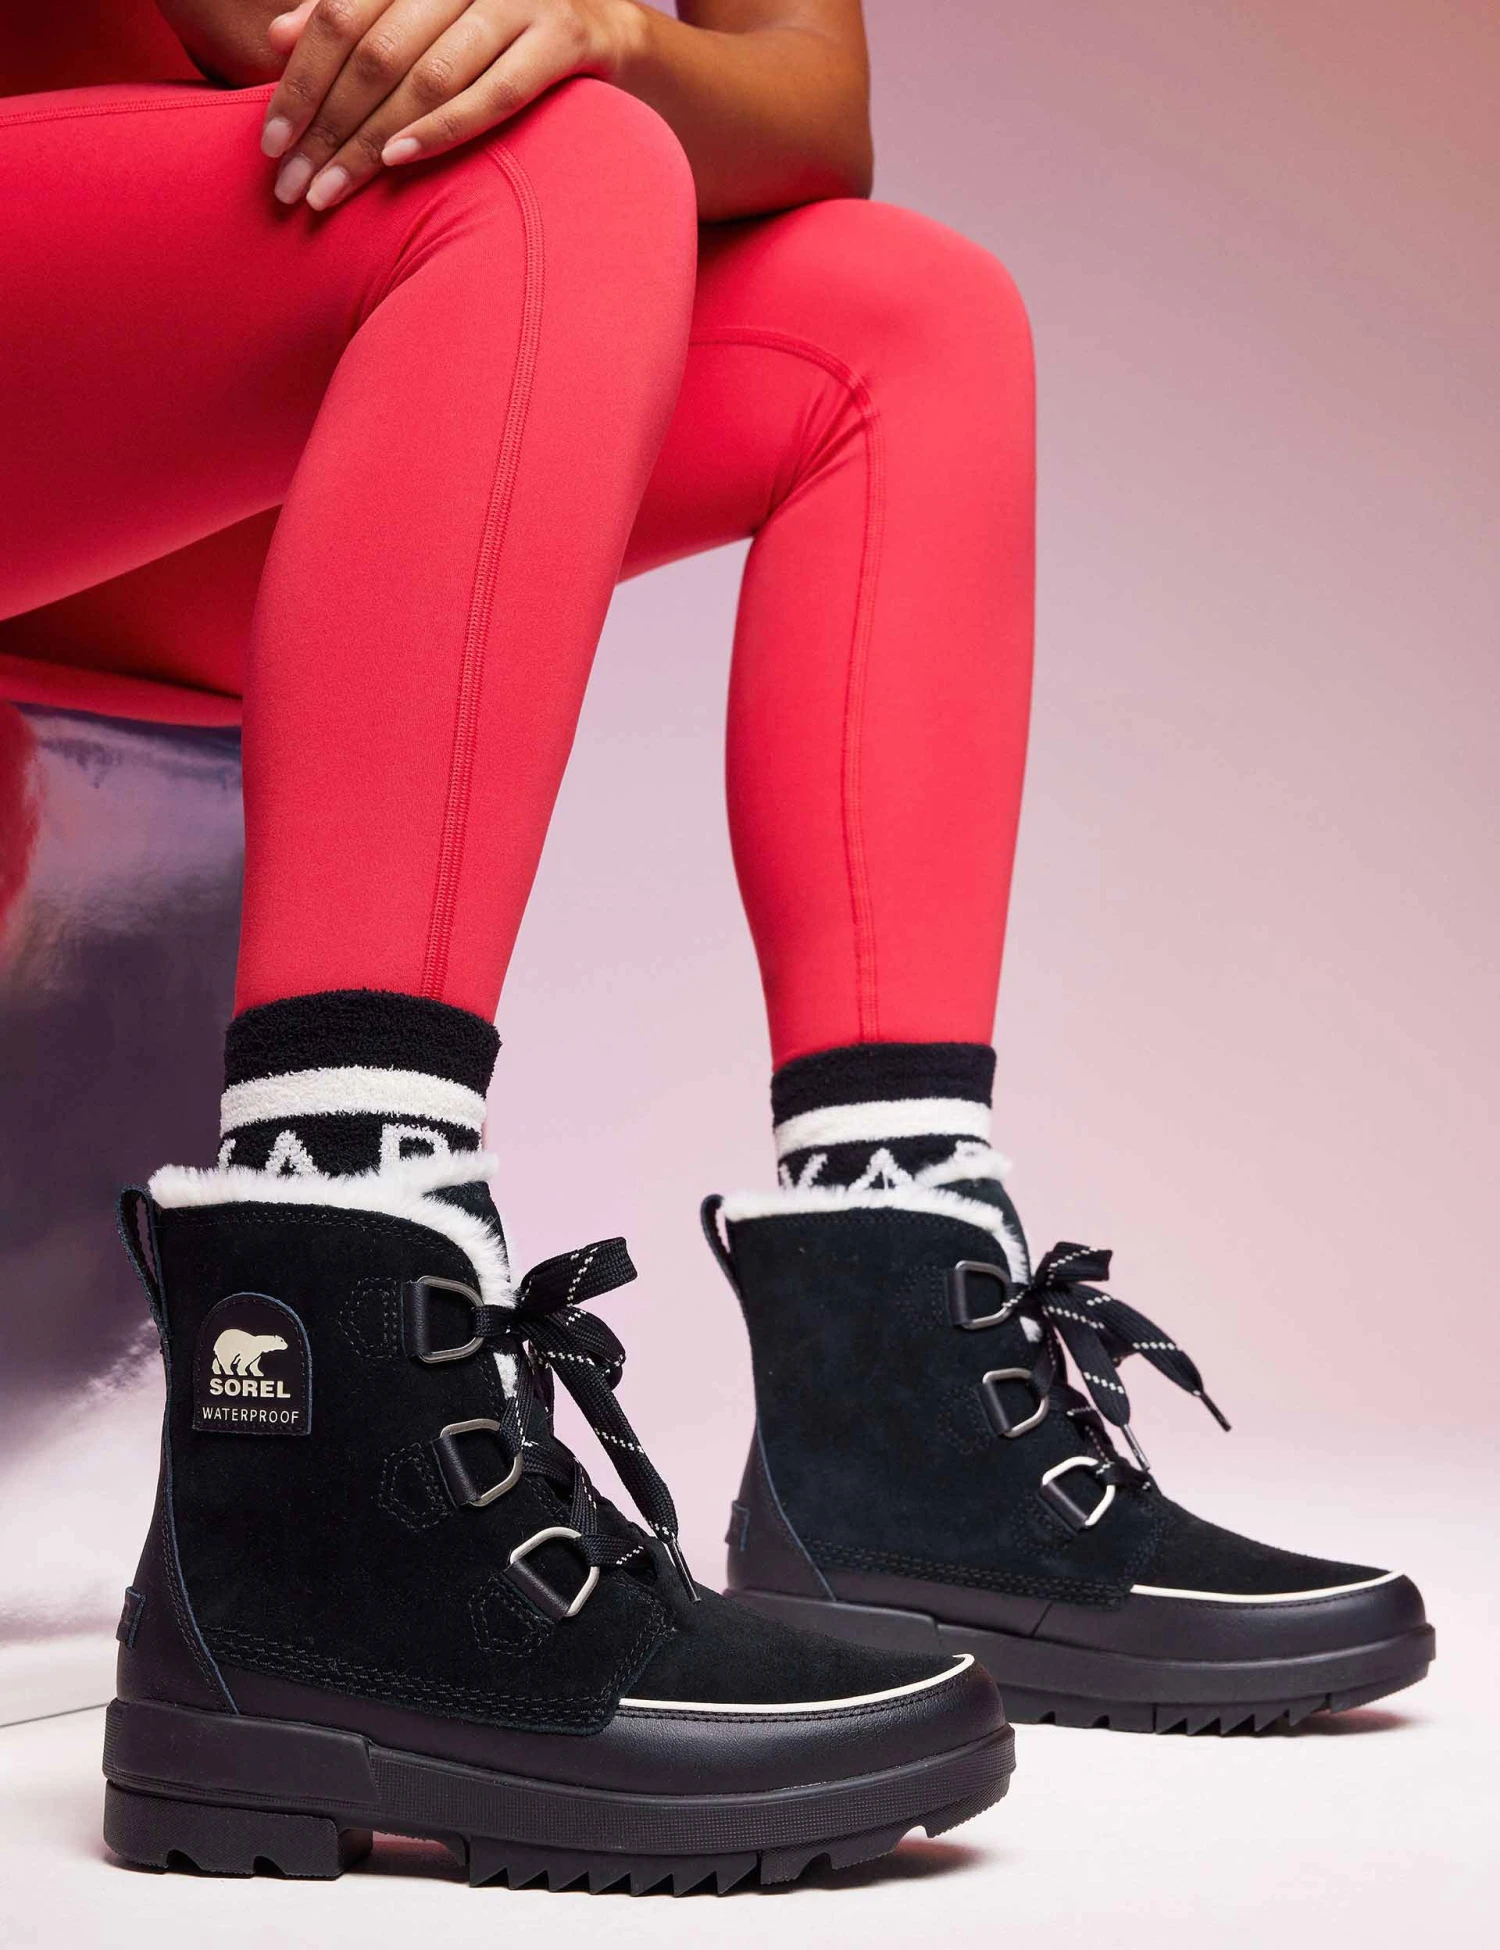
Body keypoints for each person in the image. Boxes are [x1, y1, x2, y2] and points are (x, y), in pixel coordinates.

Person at [2, 0, 1429, 1893]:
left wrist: (600, 25)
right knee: (546, 164)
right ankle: (314, 1437)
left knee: (904, 320)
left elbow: (810, 107)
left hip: (219, 431)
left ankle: (894, 1403)